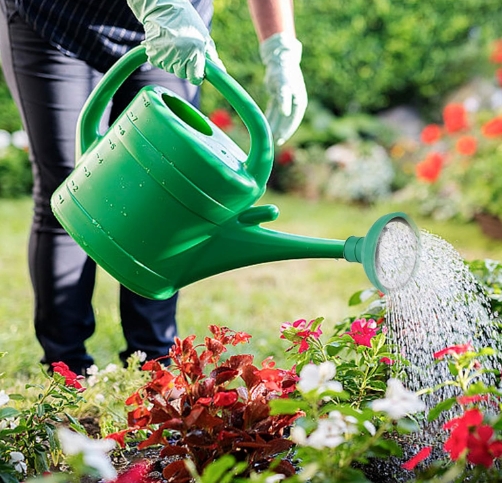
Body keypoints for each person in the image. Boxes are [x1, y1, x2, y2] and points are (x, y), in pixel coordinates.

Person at [0, 0, 307, 375]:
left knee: (169, 194)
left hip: (178, 26)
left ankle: (154, 364)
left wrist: (281, 51)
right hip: (57, 21)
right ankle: (67, 371)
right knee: (70, 191)